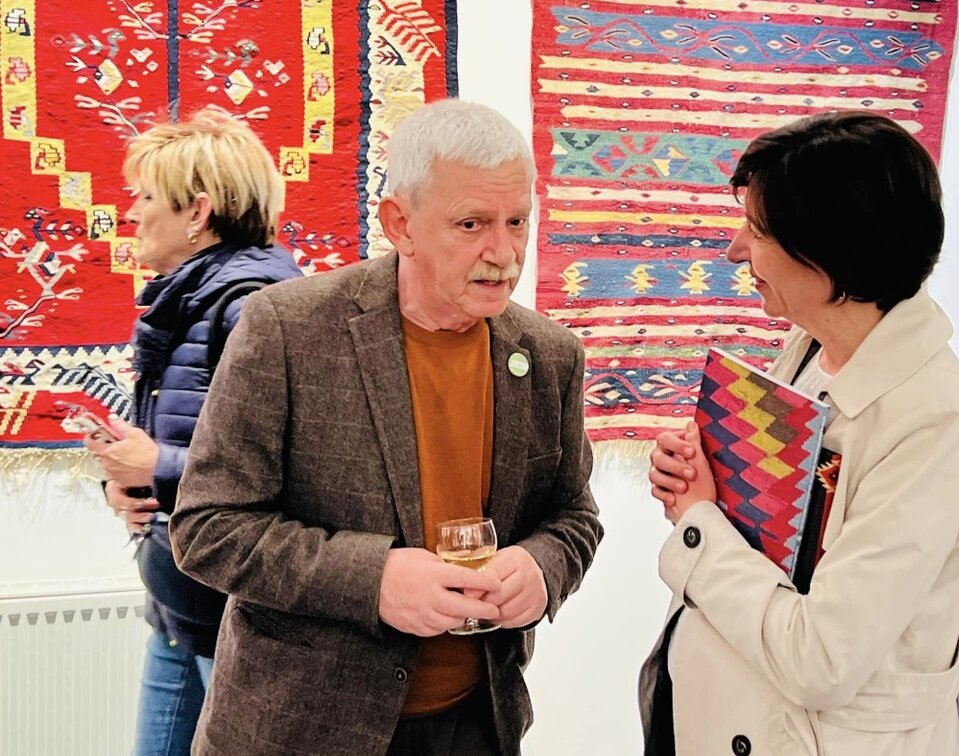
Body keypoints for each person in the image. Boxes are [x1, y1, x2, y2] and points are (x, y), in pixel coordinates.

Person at [168, 99, 603, 756]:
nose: (504, 252)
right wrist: (374, 579)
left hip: (475, 726)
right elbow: (208, 527)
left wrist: (542, 569)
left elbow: (574, 516)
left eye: (517, 221)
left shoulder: (550, 356)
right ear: (400, 224)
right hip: (300, 734)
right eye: (471, 224)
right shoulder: (287, 330)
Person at [640, 112, 959, 755]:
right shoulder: (810, 348)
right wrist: (703, 473)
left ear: (833, 256)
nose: (735, 250)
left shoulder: (935, 418)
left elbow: (821, 659)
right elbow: (773, 533)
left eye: (759, 231)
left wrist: (698, 524)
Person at [85, 108, 302, 756]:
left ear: (197, 212)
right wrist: (129, 486)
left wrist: (156, 466)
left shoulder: (251, 309)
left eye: (145, 197)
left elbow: (287, 473)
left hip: (233, 620)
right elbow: (194, 445)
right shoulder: (189, 301)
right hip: (184, 613)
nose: (131, 213)